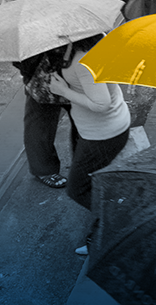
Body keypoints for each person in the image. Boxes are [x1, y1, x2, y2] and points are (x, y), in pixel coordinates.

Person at [0, 0, 78, 189]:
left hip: (60, 54)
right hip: (41, 58)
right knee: (42, 115)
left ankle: (83, 162)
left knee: (77, 111)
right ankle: (44, 168)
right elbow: (37, 24)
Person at [45, 35, 132, 256]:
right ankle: (109, 220)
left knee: (77, 188)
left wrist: (64, 91)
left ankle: (120, 220)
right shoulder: (91, 45)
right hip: (103, 128)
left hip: (102, 134)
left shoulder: (83, 60)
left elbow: (101, 103)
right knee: (95, 179)